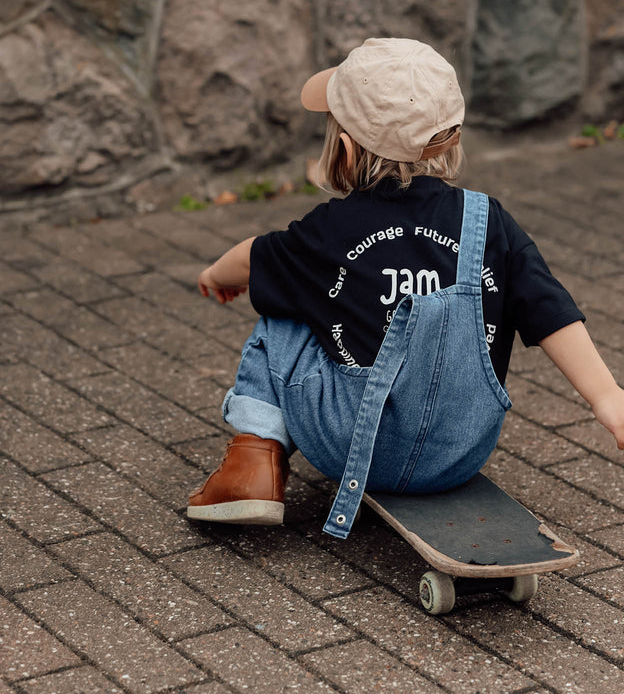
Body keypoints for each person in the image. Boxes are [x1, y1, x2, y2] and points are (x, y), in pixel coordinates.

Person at [187, 38, 624, 539]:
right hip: (456, 455)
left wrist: (215, 276)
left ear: (345, 149)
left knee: (281, 310)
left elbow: (252, 256)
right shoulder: (488, 224)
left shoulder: (326, 231)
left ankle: (255, 463)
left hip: (347, 446)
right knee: (286, 279)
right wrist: (607, 396)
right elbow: (551, 312)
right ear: (450, 138)